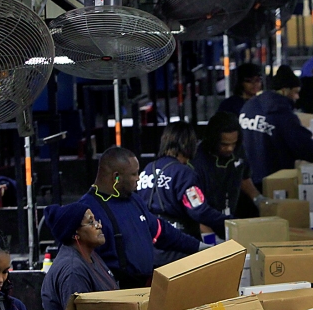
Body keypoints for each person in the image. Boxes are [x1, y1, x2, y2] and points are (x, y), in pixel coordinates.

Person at [83, 146, 203, 288]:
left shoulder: (134, 200)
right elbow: (83, 262)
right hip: (116, 292)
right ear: (116, 177)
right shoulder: (88, 210)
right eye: (134, 174)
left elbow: (163, 232)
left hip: (145, 287)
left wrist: (200, 247)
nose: (138, 178)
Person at [140, 122, 228, 264]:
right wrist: (229, 222)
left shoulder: (148, 169)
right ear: (189, 145)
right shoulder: (183, 173)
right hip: (180, 249)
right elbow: (199, 211)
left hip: (150, 250)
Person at [240, 65, 313, 186]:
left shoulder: (249, 106)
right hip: (273, 180)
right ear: (285, 90)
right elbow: (304, 146)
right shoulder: (281, 113)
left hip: (246, 181)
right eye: (296, 92)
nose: (297, 97)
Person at [191, 111, 263, 218]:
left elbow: (244, 177)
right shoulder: (197, 161)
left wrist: (258, 199)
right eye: (224, 144)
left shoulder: (238, 150)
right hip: (207, 219)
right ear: (213, 139)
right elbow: (196, 206)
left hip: (230, 215)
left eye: (233, 143)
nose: (230, 148)